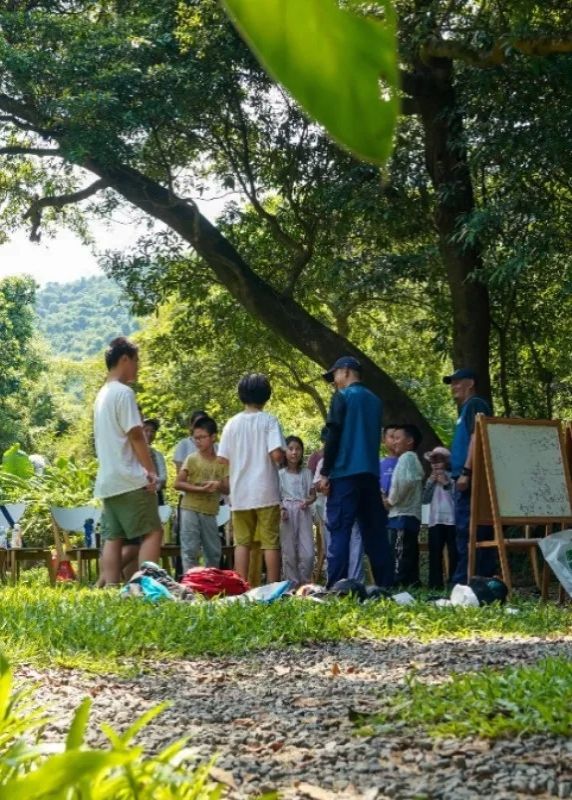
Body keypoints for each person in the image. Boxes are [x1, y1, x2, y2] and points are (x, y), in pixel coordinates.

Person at [318, 356, 393, 588]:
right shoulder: (375, 401)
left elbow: (334, 434)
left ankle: (336, 587)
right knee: (375, 533)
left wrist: (325, 472)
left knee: (340, 530)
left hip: (344, 473)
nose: (334, 382)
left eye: (335, 375)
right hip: (370, 474)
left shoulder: (342, 397)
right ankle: (386, 585)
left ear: (347, 372)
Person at [94, 337, 162, 586]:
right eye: (136, 361)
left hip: (108, 481)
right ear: (124, 359)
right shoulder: (124, 393)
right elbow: (135, 435)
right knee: (152, 532)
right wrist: (151, 472)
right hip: (130, 477)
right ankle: (147, 588)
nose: (138, 367)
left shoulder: (102, 395)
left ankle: (111, 587)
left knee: (114, 538)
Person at [218, 373, 285, 583]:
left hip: (240, 493)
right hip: (266, 490)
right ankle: (274, 587)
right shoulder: (269, 421)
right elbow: (276, 455)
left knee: (242, 543)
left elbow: (222, 458)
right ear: (266, 396)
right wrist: (281, 456)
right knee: (270, 542)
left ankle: (241, 587)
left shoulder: (231, 424)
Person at [443, 367, 495, 584]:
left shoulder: (475, 404)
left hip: (472, 479)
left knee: (470, 531)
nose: (453, 387)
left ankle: (467, 581)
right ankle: (474, 579)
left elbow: (477, 437)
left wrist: (466, 471)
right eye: (452, 383)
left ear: (470, 383)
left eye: (457, 382)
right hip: (463, 476)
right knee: (468, 531)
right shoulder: (464, 409)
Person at [174, 416, 229, 571]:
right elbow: (178, 483)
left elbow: (228, 487)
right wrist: (200, 489)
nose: (198, 441)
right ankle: (190, 585)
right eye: (195, 438)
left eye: (202, 437)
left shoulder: (221, 461)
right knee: (189, 549)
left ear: (213, 437)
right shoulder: (191, 459)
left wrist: (218, 485)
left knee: (213, 551)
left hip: (210, 511)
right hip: (189, 508)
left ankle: (211, 583)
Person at [384, 425, 425, 587]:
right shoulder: (413, 458)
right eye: (392, 438)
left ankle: (398, 580)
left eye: (397, 438)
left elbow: (403, 483)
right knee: (409, 550)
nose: (394, 442)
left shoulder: (406, 458)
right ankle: (412, 581)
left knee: (399, 549)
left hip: (402, 514)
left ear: (409, 441)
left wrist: (390, 501)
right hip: (411, 515)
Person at [279, 436, 316, 586]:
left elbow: (313, 494)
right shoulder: (279, 474)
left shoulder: (307, 473)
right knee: (289, 551)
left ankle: (305, 583)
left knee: (307, 553)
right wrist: (281, 508)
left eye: (298, 449)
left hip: (303, 511)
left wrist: (309, 500)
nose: (294, 452)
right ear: (285, 452)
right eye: (291, 449)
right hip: (286, 512)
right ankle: (291, 585)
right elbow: (276, 496)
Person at [422, 446, 457, 589]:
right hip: (435, 520)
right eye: (432, 461)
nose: (435, 464)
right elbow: (424, 499)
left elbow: (457, 497)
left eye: (439, 461)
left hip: (452, 520)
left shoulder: (454, 477)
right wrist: (431, 482)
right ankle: (435, 584)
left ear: (446, 462)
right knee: (435, 553)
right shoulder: (431, 480)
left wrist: (446, 483)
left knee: (454, 552)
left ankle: (454, 581)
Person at [143, 418, 167, 505]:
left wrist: (155, 486)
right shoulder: (130, 453)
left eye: (152, 431)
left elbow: (163, 478)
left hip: (155, 496)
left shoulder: (158, 455)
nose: (149, 434)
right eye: (146, 430)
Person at [379, 425, 398, 499]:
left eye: (398, 437)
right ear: (383, 440)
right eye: (392, 437)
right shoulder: (379, 463)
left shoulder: (408, 462)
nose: (396, 440)